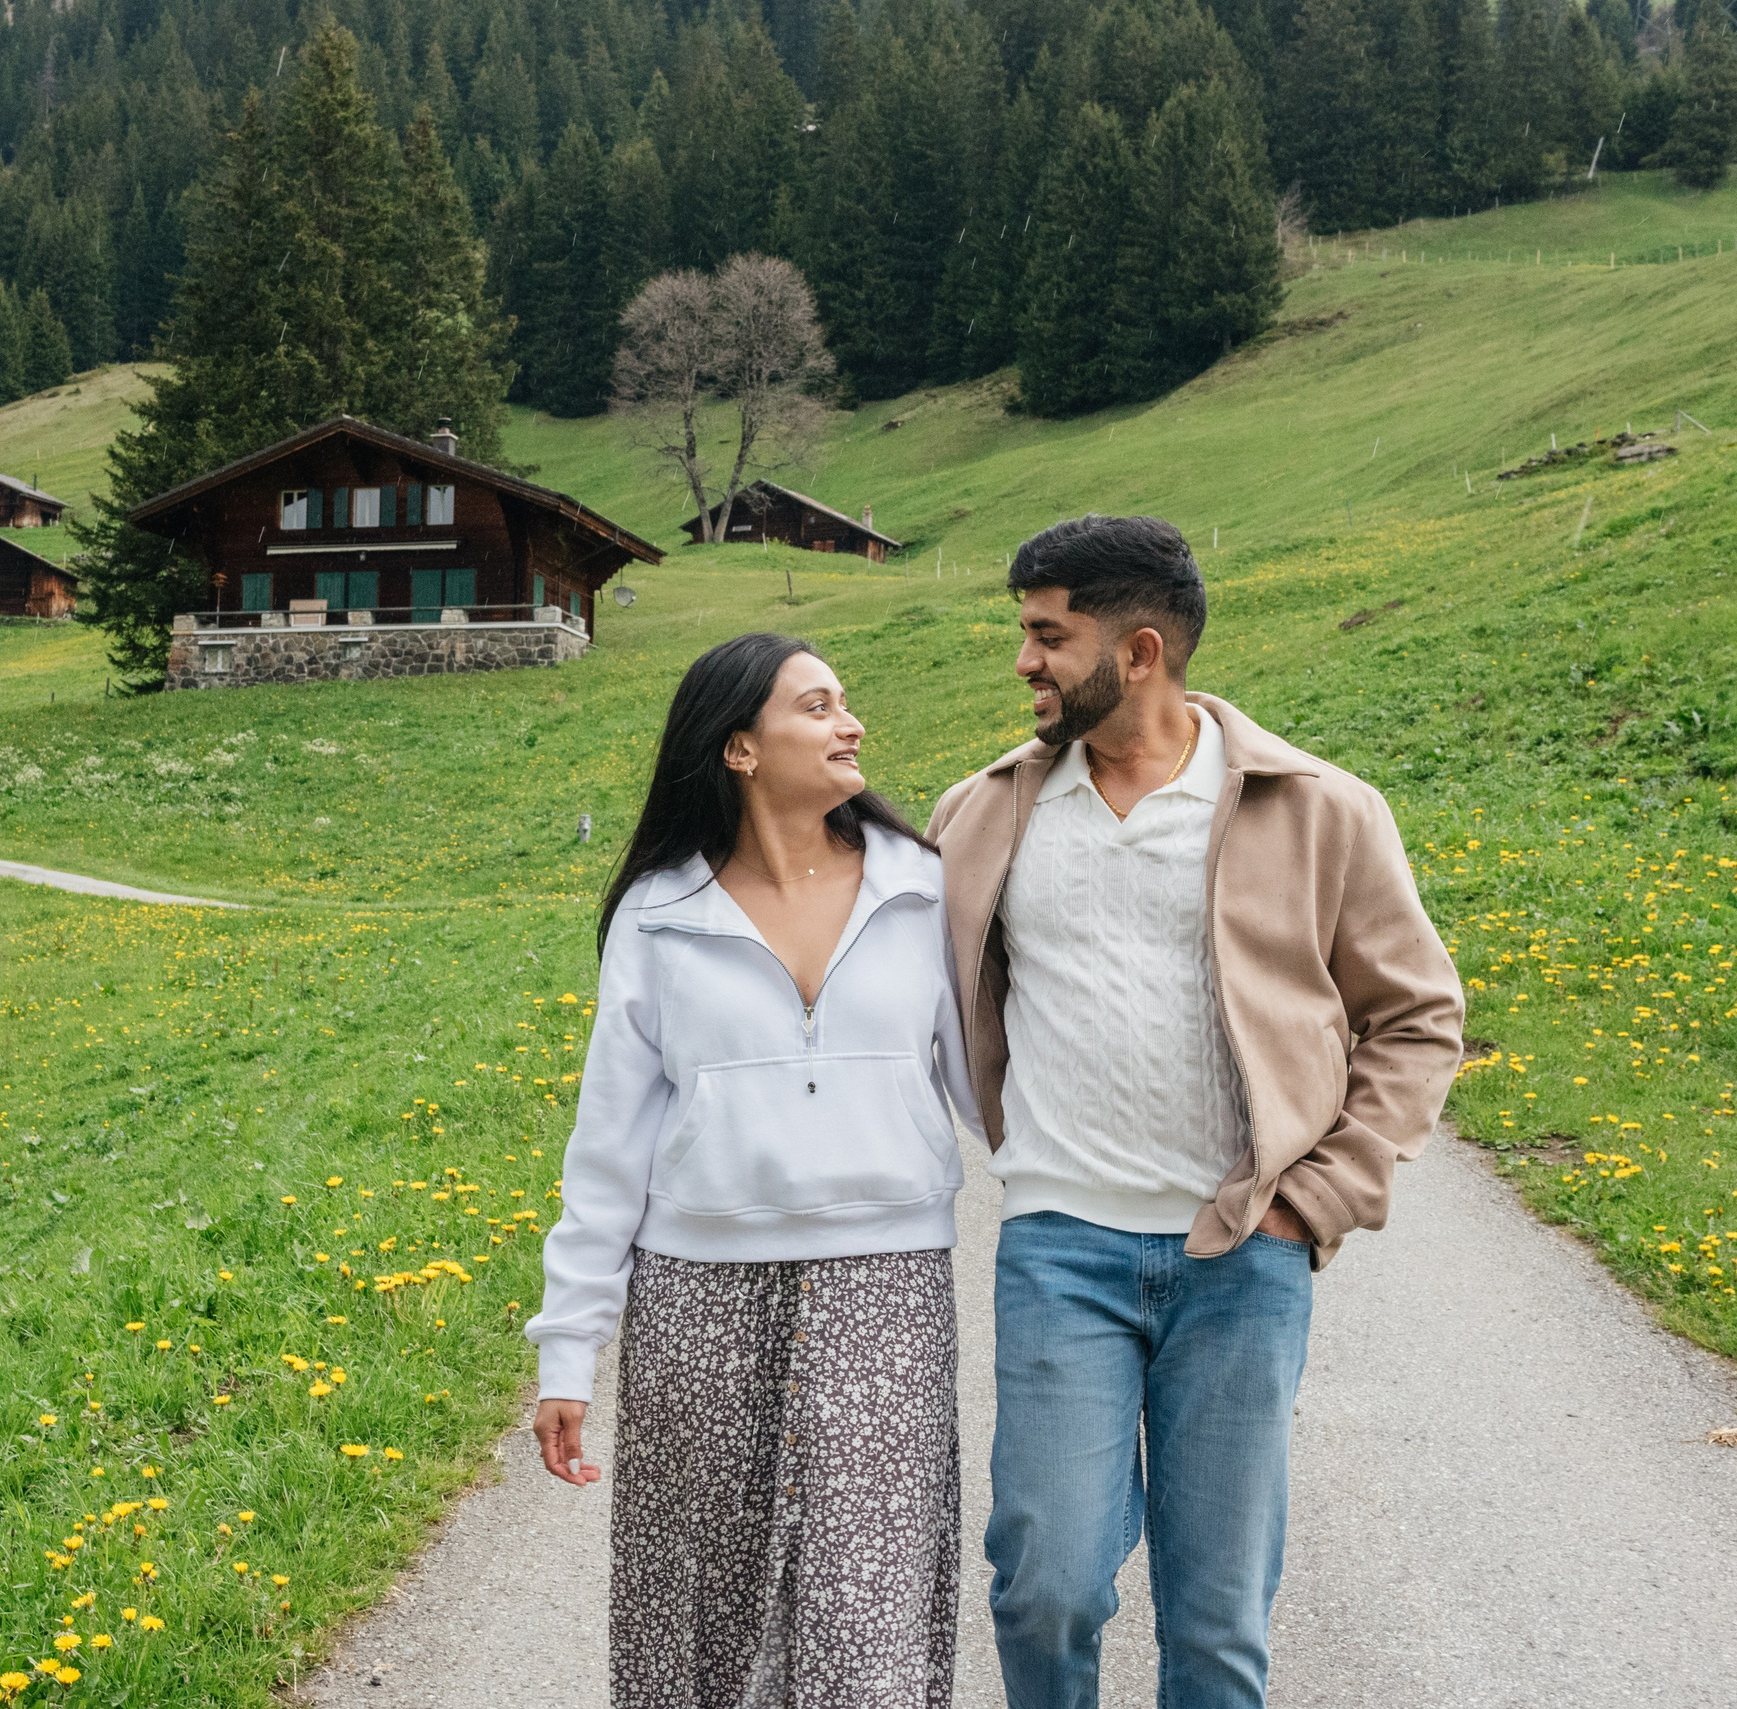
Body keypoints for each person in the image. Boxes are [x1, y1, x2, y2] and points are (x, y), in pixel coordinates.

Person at [926, 515, 1463, 1709]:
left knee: (1216, 1625)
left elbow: (1418, 1017)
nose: (1024, 661)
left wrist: (1317, 1197)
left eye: (1046, 634)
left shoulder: (1316, 807)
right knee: (1045, 1582)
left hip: (1242, 1256)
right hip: (1059, 1243)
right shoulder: (981, 814)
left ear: (1140, 649)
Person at [527, 631, 979, 1708]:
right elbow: (608, 1145)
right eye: (817, 705)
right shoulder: (659, 912)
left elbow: (989, 1089)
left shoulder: (925, 890)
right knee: (701, 1617)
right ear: (739, 746)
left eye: (844, 701)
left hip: (889, 1288)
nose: (850, 722)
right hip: (698, 1296)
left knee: (861, 1615)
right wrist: (567, 1350)